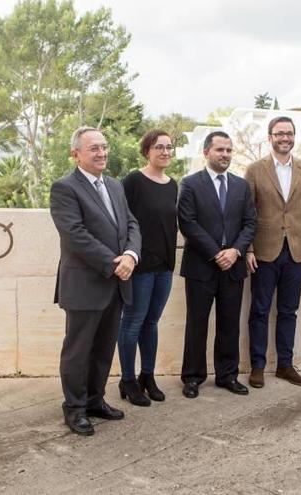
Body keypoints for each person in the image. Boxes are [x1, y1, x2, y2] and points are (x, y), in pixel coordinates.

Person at [49, 126, 141, 435]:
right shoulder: (64, 188)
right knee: (78, 350)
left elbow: (130, 223)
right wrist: (114, 263)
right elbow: (75, 235)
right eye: (94, 149)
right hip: (85, 285)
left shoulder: (114, 185)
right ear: (76, 155)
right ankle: (74, 409)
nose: (102, 153)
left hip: (116, 283)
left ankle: (94, 399)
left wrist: (131, 255)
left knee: (103, 349)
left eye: (104, 147)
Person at [243, 116, 301, 389]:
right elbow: (247, 212)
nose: (285, 138)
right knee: (260, 310)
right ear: (270, 137)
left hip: (297, 252)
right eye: (279, 134)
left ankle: (285, 365)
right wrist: (249, 248)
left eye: (289, 133)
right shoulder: (255, 170)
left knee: (289, 311)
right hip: (264, 251)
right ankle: (258, 366)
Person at [178, 131, 256, 399]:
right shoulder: (189, 184)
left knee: (229, 323)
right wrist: (216, 253)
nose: (225, 155)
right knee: (197, 323)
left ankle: (227, 375)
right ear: (206, 152)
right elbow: (187, 223)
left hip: (233, 267)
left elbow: (250, 224)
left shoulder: (241, 186)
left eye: (229, 150)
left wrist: (234, 251)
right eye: (220, 150)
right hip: (201, 266)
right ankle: (192, 377)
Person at [116, 130, 178, 407]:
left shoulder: (172, 184)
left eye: (168, 147)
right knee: (132, 323)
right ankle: (127, 379)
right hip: (139, 265)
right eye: (158, 147)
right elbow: (120, 220)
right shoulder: (133, 181)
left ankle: (147, 376)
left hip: (164, 265)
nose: (164, 152)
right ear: (146, 151)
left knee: (151, 323)